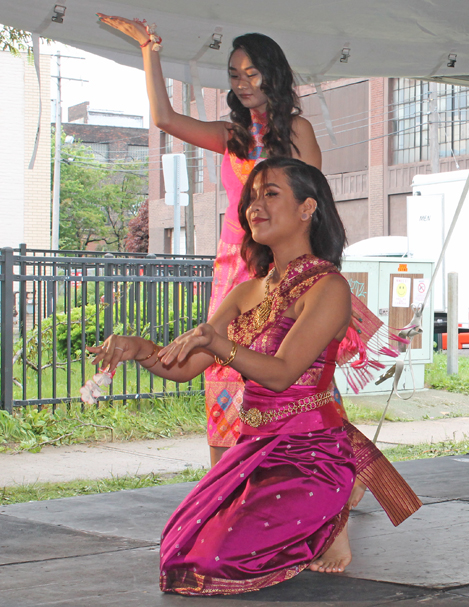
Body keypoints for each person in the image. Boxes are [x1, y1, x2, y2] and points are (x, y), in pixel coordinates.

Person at [89, 158, 421, 595]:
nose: (254, 207)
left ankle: (329, 512)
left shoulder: (329, 288)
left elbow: (282, 374)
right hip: (254, 448)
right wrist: (137, 349)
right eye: (252, 197)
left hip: (311, 455)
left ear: (307, 208)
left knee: (212, 561)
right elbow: (184, 368)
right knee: (178, 553)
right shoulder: (248, 290)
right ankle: (319, 522)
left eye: (270, 194)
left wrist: (216, 341)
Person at [96, 14, 322, 466]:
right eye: (234, 75)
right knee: (221, 365)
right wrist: (150, 51)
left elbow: (315, 207)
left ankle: (319, 466)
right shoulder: (231, 135)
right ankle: (224, 480)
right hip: (235, 268)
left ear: (273, 74)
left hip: (282, 270)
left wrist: (311, 277)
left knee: (296, 369)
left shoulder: (298, 132)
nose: (242, 83)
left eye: (251, 73)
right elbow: (164, 118)